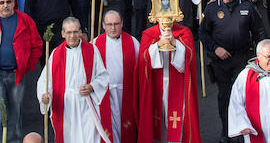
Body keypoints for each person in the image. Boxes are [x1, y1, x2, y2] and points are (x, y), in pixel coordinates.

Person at [200, 0, 267, 141]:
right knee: (224, 96)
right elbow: (203, 33)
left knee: (242, 97)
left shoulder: (248, 6)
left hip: (242, 58)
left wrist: (261, 54)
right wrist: (215, 49)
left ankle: (242, 132)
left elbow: (259, 31)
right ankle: (226, 131)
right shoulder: (211, 9)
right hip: (221, 61)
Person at [0, 0, 43, 143]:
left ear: (14, 2)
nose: (5, 5)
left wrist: (27, 65)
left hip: (17, 74)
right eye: (2, 2)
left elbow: (37, 45)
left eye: (8, 2)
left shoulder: (25, 20)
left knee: (16, 111)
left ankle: (14, 141)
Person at [37, 16, 110, 143]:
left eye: (76, 32)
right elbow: (45, 80)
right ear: (63, 33)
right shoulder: (56, 54)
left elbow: (103, 76)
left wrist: (92, 86)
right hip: (66, 106)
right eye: (69, 32)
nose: (72, 36)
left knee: (90, 138)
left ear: (81, 32)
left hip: (87, 104)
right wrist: (45, 95)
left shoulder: (92, 50)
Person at [135, 17, 202, 143]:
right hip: (156, 86)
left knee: (178, 122)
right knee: (158, 122)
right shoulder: (149, 34)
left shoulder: (184, 32)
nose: (166, 19)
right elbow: (143, 60)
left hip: (177, 86)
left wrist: (176, 43)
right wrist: (158, 45)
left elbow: (190, 58)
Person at [94, 10, 139, 143]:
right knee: (109, 127)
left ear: (122, 24)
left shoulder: (133, 42)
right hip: (104, 94)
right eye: (109, 24)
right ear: (103, 25)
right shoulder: (95, 44)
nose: (113, 28)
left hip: (126, 93)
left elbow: (142, 67)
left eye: (116, 24)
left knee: (126, 126)